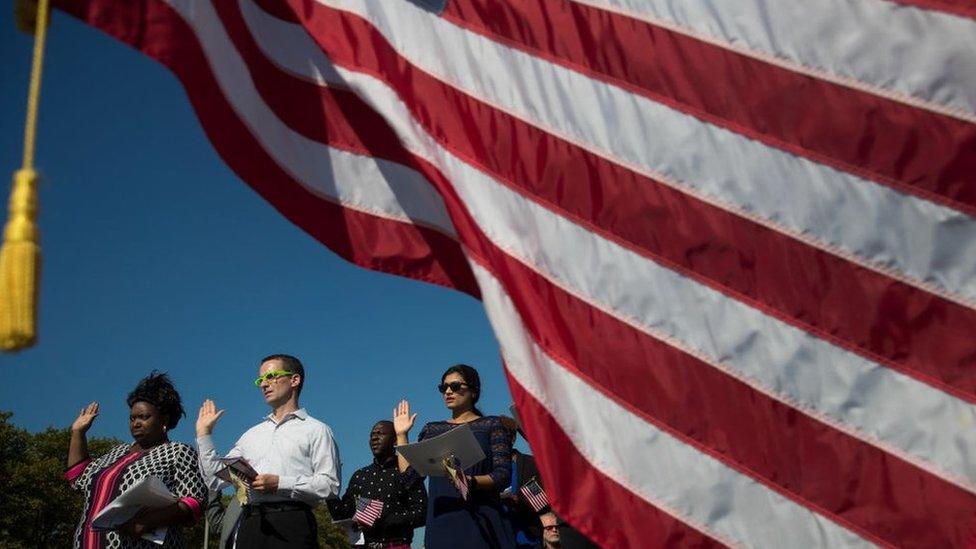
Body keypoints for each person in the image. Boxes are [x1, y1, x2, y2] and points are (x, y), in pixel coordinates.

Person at [195, 353, 341, 549]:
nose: (264, 384)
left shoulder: (317, 430)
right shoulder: (250, 435)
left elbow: (330, 485)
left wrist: (280, 483)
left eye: (271, 377)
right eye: (260, 379)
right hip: (251, 524)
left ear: (294, 380)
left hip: (293, 523)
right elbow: (215, 479)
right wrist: (204, 434)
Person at [65, 372, 207, 549]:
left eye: (144, 417)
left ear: (164, 420)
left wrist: (147, 522)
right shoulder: (118, 452)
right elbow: (78, 477)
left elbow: (194, 502)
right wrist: (78, 433)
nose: (136, 423)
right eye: (132, 418)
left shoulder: (178, 452)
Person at [394, 364, 517, 549]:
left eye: (455, 386)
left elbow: (502, 474)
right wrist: (401, 435)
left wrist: (470, 481)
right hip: (441, 524)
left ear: (474, 391)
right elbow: (409, 479)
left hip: (482, 522)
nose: (448, 391)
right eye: (444, 387)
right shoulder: (432, 429)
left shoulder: (492, 425)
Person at [328, 420, 427, 548]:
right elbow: (342, 514)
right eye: (372, 434)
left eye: (380, 433)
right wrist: (329, 484)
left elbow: (422, 513)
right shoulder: (360, 476)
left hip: (396, 545)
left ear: (395, 440)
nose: (374, 437)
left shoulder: (408, 473)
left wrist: (386, 521)